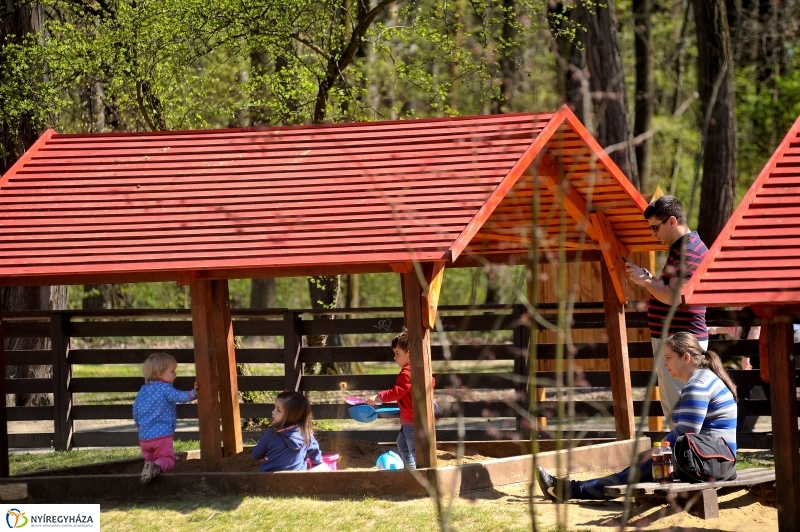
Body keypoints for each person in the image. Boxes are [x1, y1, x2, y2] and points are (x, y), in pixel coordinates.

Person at [536, 332, 737, 501]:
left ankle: (570, 490)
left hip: (710, 461)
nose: (664, 363)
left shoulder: (697, 384)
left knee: (637, 470)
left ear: (686, 357)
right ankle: (570, 489)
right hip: (715, 459)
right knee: (638, 468)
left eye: (668, 358)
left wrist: (653, 453)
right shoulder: (704, 377)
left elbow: (686, 433)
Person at [625, 195, 709, 429]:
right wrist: (651, 279)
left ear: (672, 221)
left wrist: (646, 282)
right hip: (678, 341)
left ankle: (687, 452)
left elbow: (674, 298)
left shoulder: (688, 251)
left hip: (681, 342)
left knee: (680, 413)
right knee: (677, 410)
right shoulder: (684, 248)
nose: (653, 234)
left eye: (655, 227)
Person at [367, 330, 435, 469]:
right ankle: (410, 470)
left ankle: (418, 473)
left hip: (411, 420)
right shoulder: (422, 369)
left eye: (397, 353)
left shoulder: (407, 372)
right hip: (411, 419)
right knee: (403, 445)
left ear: (409, 353)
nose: (394, 357)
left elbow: (397, 392)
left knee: (415, 450)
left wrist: (379, 397)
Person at [133, 352, 199, 485]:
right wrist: (194, 393)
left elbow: (135, 409)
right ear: (160, 373)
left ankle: (150, 470)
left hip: (144, 437)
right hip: (162, 437)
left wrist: (139, 424)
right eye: (172, 371)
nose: (175, 374)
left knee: (150, 460)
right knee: (167, 459)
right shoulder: (165, 389)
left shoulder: (143, 389)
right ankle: (156, 467)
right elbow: (180, 397)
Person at [252, 391, 322, 472]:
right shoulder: (306, 434)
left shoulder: (271, 434)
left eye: (278, 410)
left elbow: (256, 455)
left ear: (291, 415)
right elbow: (315, 453)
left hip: (270, 477)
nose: (273, 412)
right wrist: (317, 463)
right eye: (274, 408)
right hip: (298, 477)